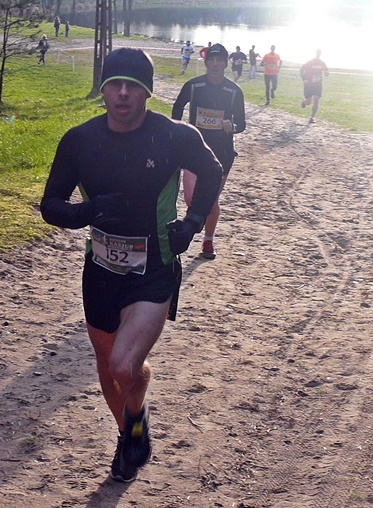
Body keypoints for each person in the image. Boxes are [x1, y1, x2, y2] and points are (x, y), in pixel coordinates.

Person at [40, 48, 223, 482]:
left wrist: (192, 222)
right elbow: (50, 205)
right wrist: (88, 212)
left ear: (147, 92)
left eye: (133, 86)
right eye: (115, 84)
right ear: (104, 90)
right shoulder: (80, 140)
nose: (123, 93)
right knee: (109, 367)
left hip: (154, 266)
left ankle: (135, 416)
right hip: (100, 270)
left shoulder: (173, 135)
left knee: (124, 365)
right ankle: (130, 433)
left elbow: (212, 171)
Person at [171, 43, 246, 260]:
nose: (215, 64)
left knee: (210, 201)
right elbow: (178, 106)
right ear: (206, 63)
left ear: (225, 64)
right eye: (211, 60)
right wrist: (178, 128)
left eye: (219, 60)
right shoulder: (194, 85)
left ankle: (208, 240)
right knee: (191, 199)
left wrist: (232, 126)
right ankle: (194, 224)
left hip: (222, 153)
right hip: (195, 149)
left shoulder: (234, 91)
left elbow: (241, 123)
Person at [300, 49, 329, 124]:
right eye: (317, 52)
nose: (318, 54)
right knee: (309, 102)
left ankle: (312, 117)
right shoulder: (310, 62)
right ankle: (304, 102)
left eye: (320, 53)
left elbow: (326, 71)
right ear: (316, 53)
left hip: (318, 85)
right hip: (309, 84)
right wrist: (304, 79)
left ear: (320, 54)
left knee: (316, 100)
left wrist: (326, 73)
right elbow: (302, 69)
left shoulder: (322, 63)